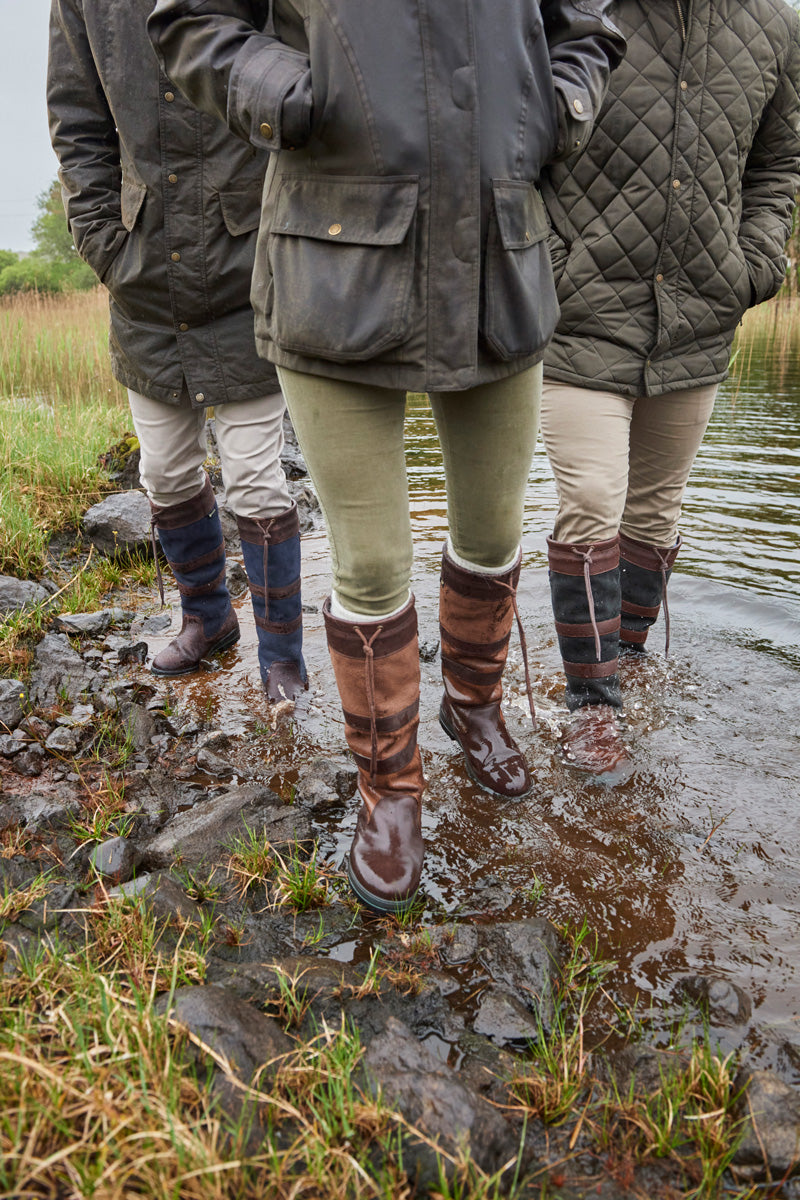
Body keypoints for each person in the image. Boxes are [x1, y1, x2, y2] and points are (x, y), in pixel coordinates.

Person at [148, 0, 625, 913]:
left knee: (493, 533)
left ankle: (474, 705)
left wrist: (551, 109)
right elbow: (191, 21)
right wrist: (290, 90)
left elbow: (590, 27)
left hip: (498, 247)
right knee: (369, 563)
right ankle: (390, 784)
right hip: (331, 252)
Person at [539, 0, 800, 774]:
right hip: (579, 315)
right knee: (593, 496)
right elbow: (520, 149)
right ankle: (592, 712)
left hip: (700, 312)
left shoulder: (777, 26)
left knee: (656, 507)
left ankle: (625, 663)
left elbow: (777, 164)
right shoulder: (576, 10)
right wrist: (551, 267)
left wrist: (752, 265)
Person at [47, 0, 307, 703]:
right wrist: (104, 242)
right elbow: (77, 124)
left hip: (248, 264)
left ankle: (282, 657)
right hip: (143, 271)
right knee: (163, 471)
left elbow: (296, 78)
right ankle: (207, 620)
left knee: (256, 476)